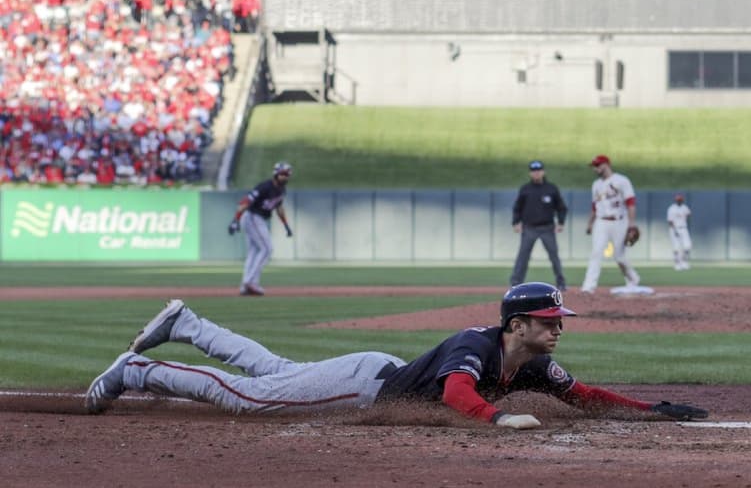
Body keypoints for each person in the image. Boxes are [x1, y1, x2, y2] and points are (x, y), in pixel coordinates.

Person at [84, 284, 709, 426]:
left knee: (273, 371)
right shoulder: (474, 347)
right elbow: (456, 396)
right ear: (518, 323)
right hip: (364, 386)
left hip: (373, 366)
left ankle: (186, 323)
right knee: (248, 396)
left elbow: (584, 395)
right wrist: (497, 418)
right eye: (550, 321)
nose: (559, 329)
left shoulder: (534, 362)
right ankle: (140, 369)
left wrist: (649, 409)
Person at [228, 162, 293, 296]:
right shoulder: (265, 187)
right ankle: (250, 282)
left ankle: (245, 285)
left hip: (259, 218)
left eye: (287, 174)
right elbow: (246, 201)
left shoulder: (281, 190)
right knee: (267, 249)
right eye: (283, 174)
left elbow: (279, 208)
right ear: (276, 174)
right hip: (253, 216)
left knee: (254, 251)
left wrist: (286, 225)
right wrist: (236, 219)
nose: (286, 177)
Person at [583, 155, 641, 293]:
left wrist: (631, 224)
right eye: (594, 166)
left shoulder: (621, 180)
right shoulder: (596, 185)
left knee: (619, 257)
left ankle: (633, 279)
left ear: (606, 165)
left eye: (598, 165)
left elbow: (631, 203)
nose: (595, 168)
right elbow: (594, 207)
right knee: (596, 253)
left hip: (620, 221)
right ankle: (588, 287)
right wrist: (590, 223)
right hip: (601, 221)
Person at [510, 160, 568, 290]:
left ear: (543, 172)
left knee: (554, 256)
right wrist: (515, 222)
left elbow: (562, 207)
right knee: (523, 257)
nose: (536, 173)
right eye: (533, 171)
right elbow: (517, 208)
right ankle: (515, 283)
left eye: (538, 170)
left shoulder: (551, 188)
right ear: (530, 173)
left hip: (547, 228)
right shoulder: (525, 189)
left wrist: (561, 222)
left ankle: (561, 283)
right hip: (529, 228)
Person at [666, 193, 693, 271]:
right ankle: (677, 264)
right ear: (675, 200)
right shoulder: (672, 208)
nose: (679, 201)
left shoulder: (684, 207)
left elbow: (689, 213)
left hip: (683, 228)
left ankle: (684, 262)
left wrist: (683, 219)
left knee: (687, 246)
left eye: (680, 200)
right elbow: (670, 221)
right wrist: (675, 230)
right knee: (676, 247)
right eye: (678, 200)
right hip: (674, 229)